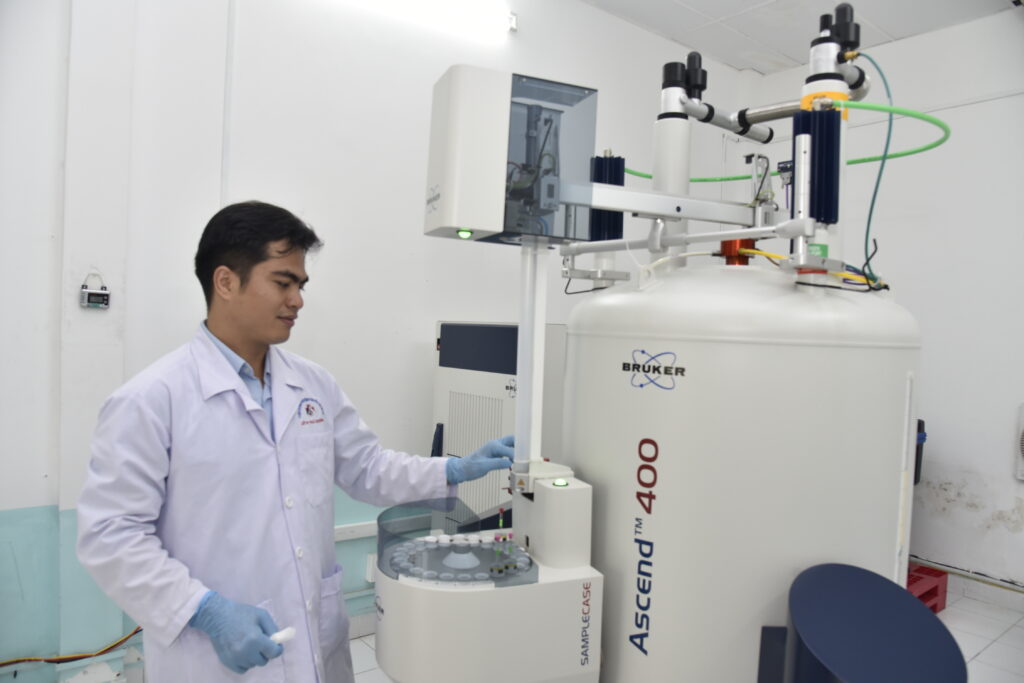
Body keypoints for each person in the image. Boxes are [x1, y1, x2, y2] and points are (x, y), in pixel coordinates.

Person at [76, 201, 514, 683]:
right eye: (283, 283)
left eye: (300, 285)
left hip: (314, 640)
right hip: (211, 658)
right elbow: (110, 535)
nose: (298, 300)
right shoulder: (150, 400)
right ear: (226, 282)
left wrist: (451, 470)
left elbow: (366, 467)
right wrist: (204, 610)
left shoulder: (312, 385)